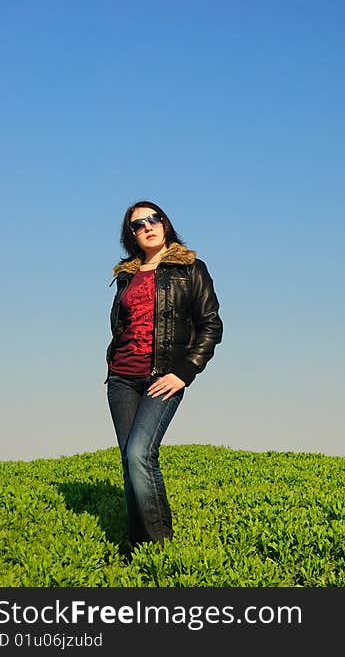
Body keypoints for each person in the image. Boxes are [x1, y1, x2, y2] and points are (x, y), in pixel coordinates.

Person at [104, 200, 223, 553]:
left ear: (165, 223)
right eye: (138, 225)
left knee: (141, 453)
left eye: (153, 219)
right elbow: (122, 326)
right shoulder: (126, 275)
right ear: (132, 236)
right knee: (129, 461)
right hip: (121, 379)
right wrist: (112, 368)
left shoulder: (191, 269)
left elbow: (211, 326)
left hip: (163, 377)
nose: (147, 226)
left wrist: (184, 372)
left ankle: (159, 548)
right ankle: (135, 544)